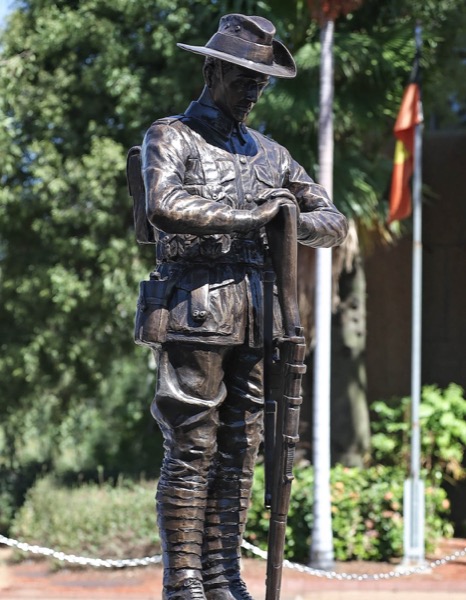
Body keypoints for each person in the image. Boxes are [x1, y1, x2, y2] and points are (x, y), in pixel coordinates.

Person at [139, 13, 348, 600]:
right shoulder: (172, 136)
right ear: (212, 68)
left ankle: (224, 576)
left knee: (243, 446)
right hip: (195, 305)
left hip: (259, 314)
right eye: (243, 77)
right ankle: (184, 582)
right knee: (192, 444)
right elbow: (164, 204)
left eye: (261, 80)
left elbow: (332, 221)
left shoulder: (272, 156)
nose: (254, 89)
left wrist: (292, 218)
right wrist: (257, 217)